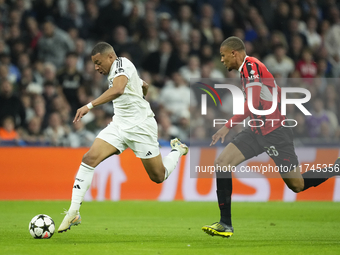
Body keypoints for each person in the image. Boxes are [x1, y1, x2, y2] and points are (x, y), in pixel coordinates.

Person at [202, 36, 340, 238]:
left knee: (296, 185)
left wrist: (227, 126)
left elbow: (253, 104)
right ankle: (225, 223)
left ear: (234, 53)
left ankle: (336, 168)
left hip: (276, 133)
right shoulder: (246, 71)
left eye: (223, 56)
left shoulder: (251, 67)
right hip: (256, 130)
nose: (221, 60)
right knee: (222, 163)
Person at [58, 42, 188, 233]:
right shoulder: (117, 71)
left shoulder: (121, 63)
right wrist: (141, 87)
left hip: (141, 127)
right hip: (119, 126)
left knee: (158, 176)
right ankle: (73, 212)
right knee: (89, 158)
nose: (96, 67)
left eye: (98, 62)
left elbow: (118, 89)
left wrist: (89, 106)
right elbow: (142, 86)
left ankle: (177, 150)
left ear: (110, 57)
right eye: (93, 64)